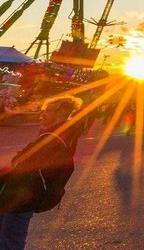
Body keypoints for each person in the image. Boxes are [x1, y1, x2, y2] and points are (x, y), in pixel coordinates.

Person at [0, 95, 84, 250]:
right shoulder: (63, 133)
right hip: (23, 196)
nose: (42, 114)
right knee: (8, 236)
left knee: (10, 240)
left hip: (21, 197)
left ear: (61, 112)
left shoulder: (53, 137)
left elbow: (24, 164)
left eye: (48, 111)